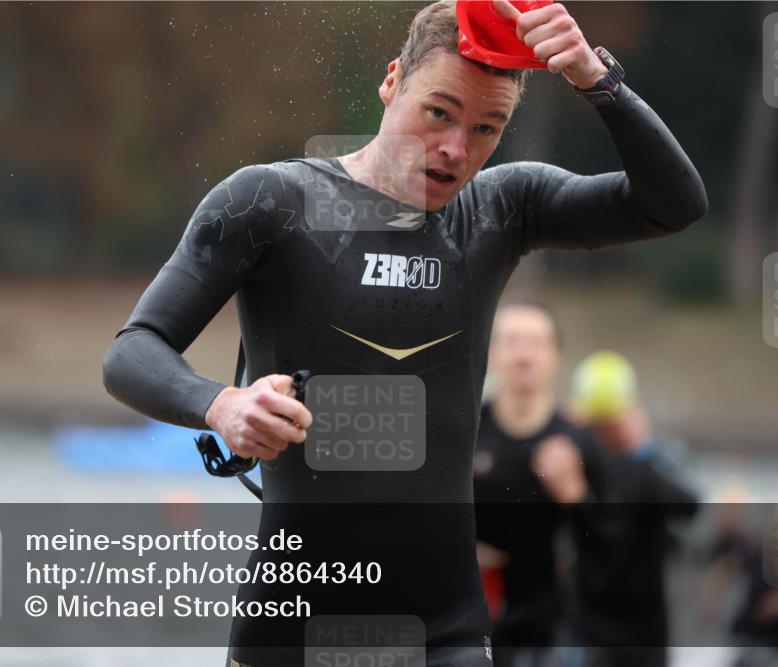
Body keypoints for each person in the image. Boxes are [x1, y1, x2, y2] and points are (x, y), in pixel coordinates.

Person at [102, 1, 708, 664]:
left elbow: (673, 205)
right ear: (392, 81)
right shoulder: (270, 203)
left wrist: (596, 78)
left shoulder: (501, 210)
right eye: (439, 112)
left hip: (445, 636)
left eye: (486, 128)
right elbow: (133, 351)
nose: (456, 149)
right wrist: (223, 405)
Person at [473, 301, 607, 666]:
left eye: (536, 342)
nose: (524, 354)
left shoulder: (579, 442)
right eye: (512, 341)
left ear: (556, 356)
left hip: (550, 628)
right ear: (491, 353)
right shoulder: (466, 433)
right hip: (469, 623)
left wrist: (576, 497)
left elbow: (611, 547)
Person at [568, 351, 701, 667]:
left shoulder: (653, 461)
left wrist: (642, 449)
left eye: (609, 424)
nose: (604, 433)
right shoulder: (575, 460)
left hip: (645, 626)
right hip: (588, 623)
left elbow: (689, 506)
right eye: (597, 426)